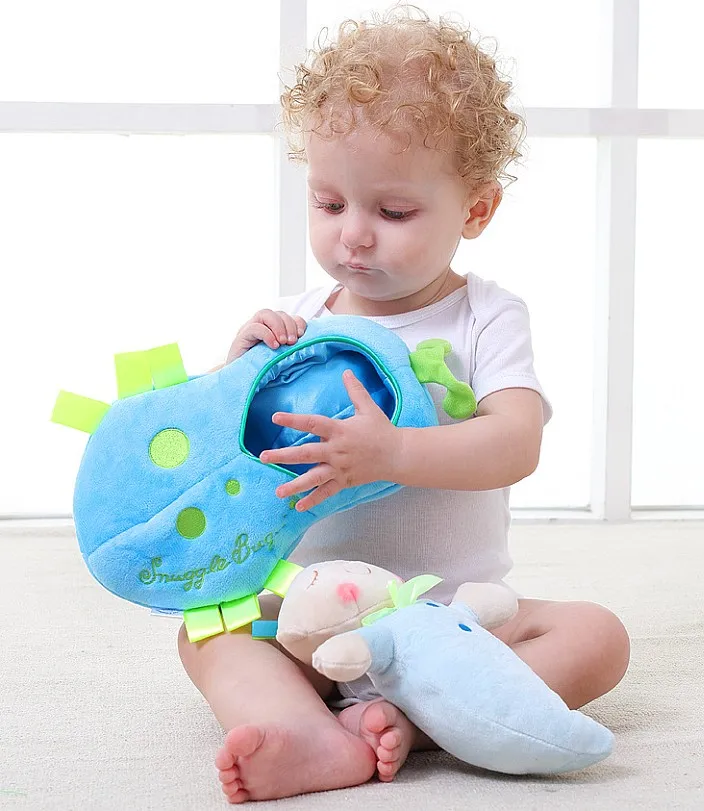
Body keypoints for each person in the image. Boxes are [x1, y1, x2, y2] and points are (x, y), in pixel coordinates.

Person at [177, 6, 630, 803]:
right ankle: (304, 729)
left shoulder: (486, 317)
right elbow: (224, 460)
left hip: (454, 618)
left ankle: (408, 719)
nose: (354, 236)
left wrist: (394, 453)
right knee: (207, 627)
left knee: (597, 636)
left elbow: (516, 440)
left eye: (392, 212)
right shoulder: (298, 324)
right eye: (329, 204)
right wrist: (231, 372)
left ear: (475, 210)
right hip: (313, 616)